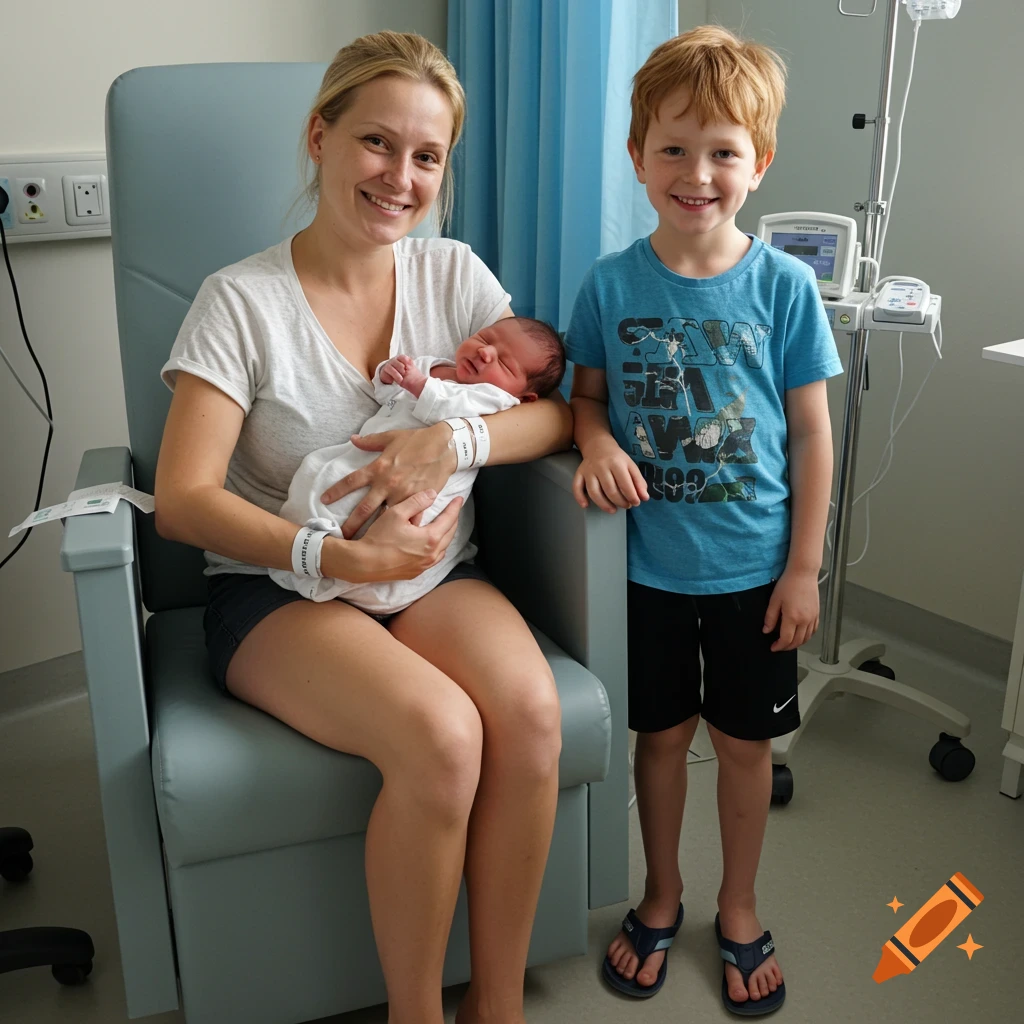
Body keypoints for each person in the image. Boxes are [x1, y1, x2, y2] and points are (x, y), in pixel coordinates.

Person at [154, 31, 571, 1024]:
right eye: (377, 143)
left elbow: (552, 413)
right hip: (277, 587)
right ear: (320, 138)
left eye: (427, 156)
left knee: (533, 714)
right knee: (440, 733)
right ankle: (416, 1013)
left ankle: (498, 1006)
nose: (401, 176)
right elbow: (183, 499)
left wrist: (452, 447)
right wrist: (333, 550)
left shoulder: (452, 277)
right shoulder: (240, 302)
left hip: (429, 572)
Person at [565, 25, 843, 1016]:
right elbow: (586, 399)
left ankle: (734, 903)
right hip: (643, 572)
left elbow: (810, 435)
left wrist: (803, 567)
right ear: (638, 158)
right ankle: (662, 891)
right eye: (673, 148)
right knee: (657, 739)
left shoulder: (783, 287)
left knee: (741, 747)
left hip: (754, 573)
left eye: (723, 150)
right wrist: (595, 441)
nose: (697, 171)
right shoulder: (608, 284)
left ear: (757, 164)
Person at [269, 316, 565, 613]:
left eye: (505, 364)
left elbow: (450, 405)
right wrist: (388, 373)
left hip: (430, 488)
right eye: (486, 339)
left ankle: (348, 569)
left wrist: (418, 383)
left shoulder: (497, 399)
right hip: (370, 457)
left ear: (525, 397)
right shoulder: (432, 366)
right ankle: (316, 538)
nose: (486, 353)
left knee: (399, 516)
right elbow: (388, 395)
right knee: (319, 472)